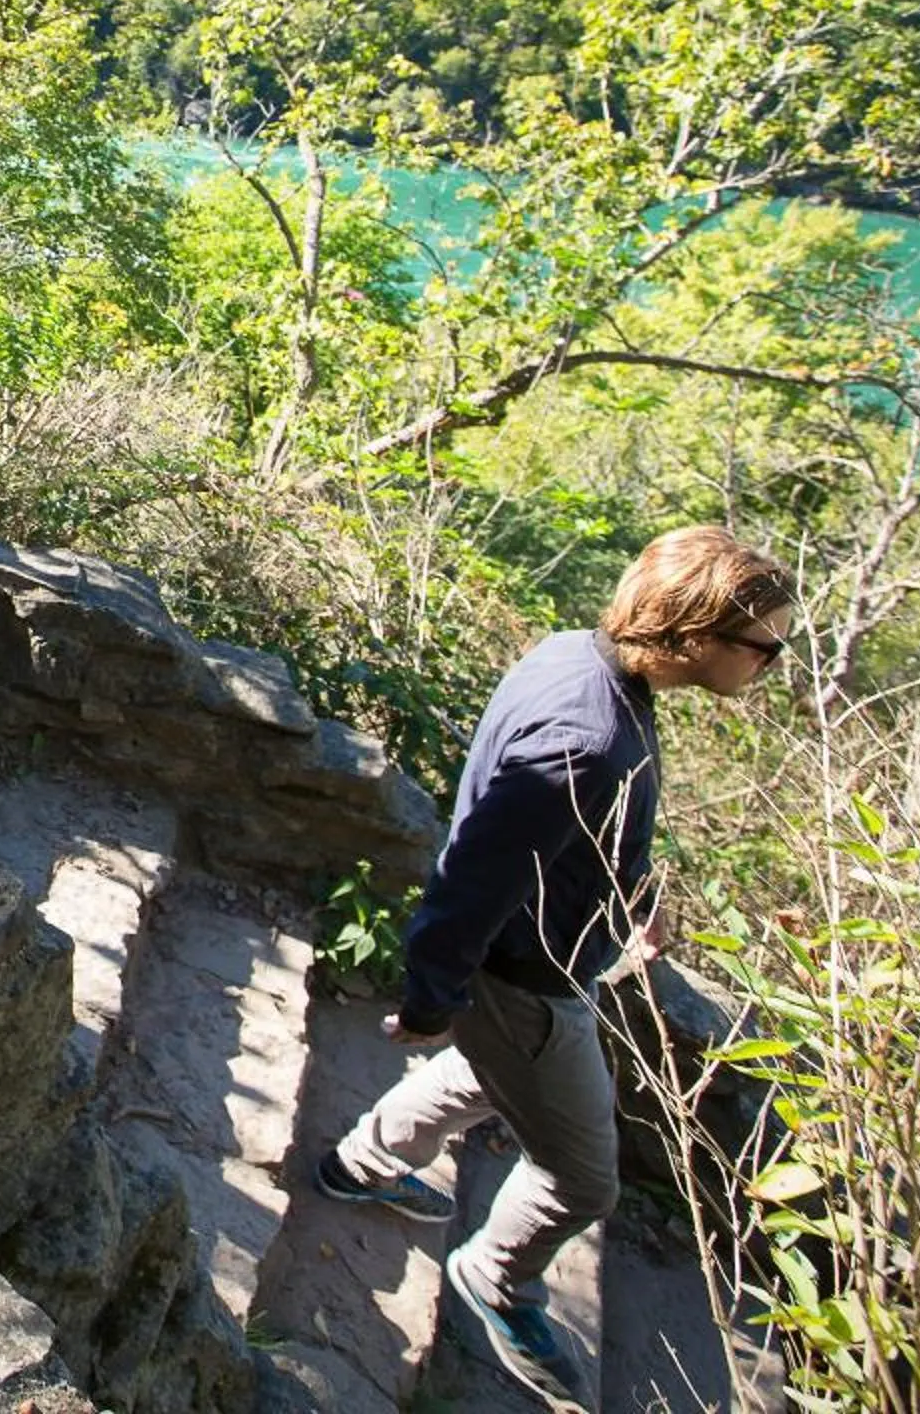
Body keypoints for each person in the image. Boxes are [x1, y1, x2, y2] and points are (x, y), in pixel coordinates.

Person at [312, 524, 795, 1414]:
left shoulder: (581, 658)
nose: (773, 664)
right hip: (527, 985)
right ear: (695, 636)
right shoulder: (586, 736)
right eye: (766, 648)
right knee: (582, 1179)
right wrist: (431, 997)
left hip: (533, 971)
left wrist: (627, 892)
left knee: (488, 1075)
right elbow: (472, 879)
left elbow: (553, 835)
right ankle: (496, 1277)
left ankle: (360, 1164)